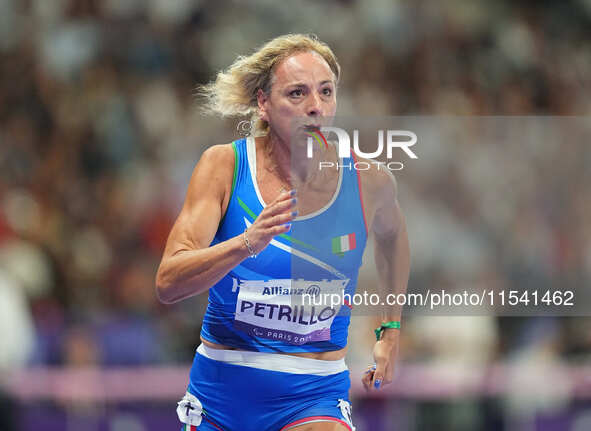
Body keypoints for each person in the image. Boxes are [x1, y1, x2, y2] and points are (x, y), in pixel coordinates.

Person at [156, 34, 410, 431]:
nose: (316, 107)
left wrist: (390, 329)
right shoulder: (224, 167)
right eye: (297, 93)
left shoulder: (369, 181)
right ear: (263, 103)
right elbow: (168, 282)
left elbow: (393, 242)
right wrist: (244, 244)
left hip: (314, 394)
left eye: (326, 92)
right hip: (222, 394)